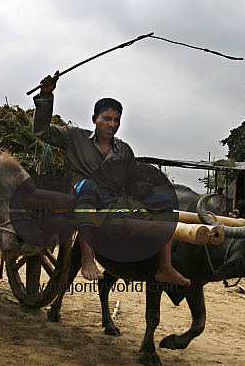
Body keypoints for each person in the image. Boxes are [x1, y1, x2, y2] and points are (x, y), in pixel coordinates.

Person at [32, 73, 189, 286]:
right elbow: (41, 130)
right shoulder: (74, 136)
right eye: (106, 118)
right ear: (94, 120)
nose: (111, 124)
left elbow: (132, 181)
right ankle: (87, 258)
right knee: (89, 186)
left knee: (163, 200)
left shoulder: (124, 150)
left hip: (112, 201)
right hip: (80, 195)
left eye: (116, 120)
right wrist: (46, 95)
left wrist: (140, 188)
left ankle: (165, 267)